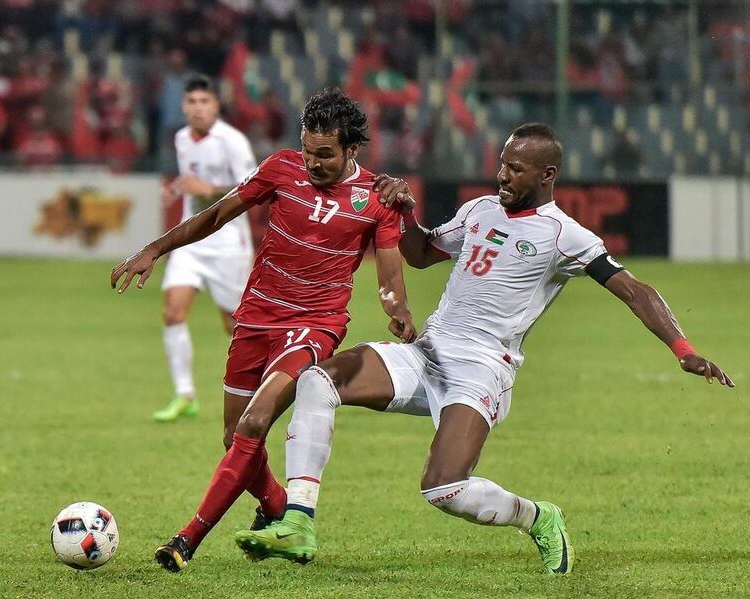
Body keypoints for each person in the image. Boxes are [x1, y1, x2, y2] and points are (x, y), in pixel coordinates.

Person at [234, 123, 734, 574]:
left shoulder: (565, 235)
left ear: (547, 174)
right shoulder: (480, 209)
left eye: (515, 169)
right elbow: (423, 253)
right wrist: (405, 213)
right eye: (501, 163)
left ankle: (538, 516)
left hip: (481, 369)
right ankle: (299, 519)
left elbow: (635, 289)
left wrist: (683, 348)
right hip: (428, 351)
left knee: (444, 489)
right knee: (318, 379)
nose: (502, 175)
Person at [110, 87, 416, 572]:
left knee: (255, 423)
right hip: (256, 317)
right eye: (307, 150)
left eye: (325, 155)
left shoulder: (377, 198)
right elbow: (215, 214)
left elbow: (390, 273)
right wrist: (154, 248)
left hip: (314, 326)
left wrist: (397, 310)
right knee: (235, 437)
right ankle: (274, 506)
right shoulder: (280, 168)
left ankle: (185, 540)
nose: (312, 163)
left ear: (352, 149)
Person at [152, 75, 256, 422]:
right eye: (192, 102)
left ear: (216, 106)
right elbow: (194, 180)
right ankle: (184, 394)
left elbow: (251, 190)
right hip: (191, 240)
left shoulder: (233, 141)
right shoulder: (182, 139)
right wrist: (182, 187)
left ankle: (265, 387)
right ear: (183, 106)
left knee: (235, 325)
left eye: (204, 102)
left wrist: (207, 187)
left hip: (227, 243)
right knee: (172, 312)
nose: (197, 108)